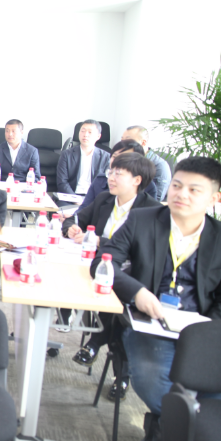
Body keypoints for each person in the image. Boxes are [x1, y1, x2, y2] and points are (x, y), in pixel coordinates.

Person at [94, 156, 221, 441]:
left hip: (202, 329)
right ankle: (183, 428)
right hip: (148, 325)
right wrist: (138, 292)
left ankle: (162, 427)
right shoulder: (143, 219)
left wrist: (209, 327)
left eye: (194, 190)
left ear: (214, 198)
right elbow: (103, 262)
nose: (181, 194)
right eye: (177, 185)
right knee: (153, 377)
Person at [62, 153, 160, 398]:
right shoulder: (105, 199)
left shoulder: (151, 210)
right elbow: (75, 218)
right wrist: (71, 227)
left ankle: (98, 345)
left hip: (132, 277)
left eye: (119, 173)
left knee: (116, 304)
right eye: (111, 172)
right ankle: (117, 372)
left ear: (137, 180)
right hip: (95, 268)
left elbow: (144, 252)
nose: (111, 178)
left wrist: (100, 241)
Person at [79, 140, 155, 208]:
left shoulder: (148, 187)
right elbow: (84, 208)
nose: (117, 161)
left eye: (124, 157)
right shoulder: (100, 181)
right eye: (114, 156)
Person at [57, 119, 111, 195]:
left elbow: (106, 183)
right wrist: (74, 198)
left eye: (90, 132)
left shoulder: (106, 157)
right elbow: (62, 182)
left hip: (94, 197)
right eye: (82, 131)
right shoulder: (66, 154)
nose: (85, 134)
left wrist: (92, 199)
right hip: (71, 195)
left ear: (98, 136)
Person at [121, 125, 171, 201]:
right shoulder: (121, 160)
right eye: (122, 140)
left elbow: (156, 200)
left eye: (128, 141)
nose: (123, 144)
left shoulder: (159, 165)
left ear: (143, 142)